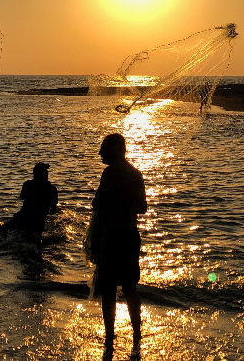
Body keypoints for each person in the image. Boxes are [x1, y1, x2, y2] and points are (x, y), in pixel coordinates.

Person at [86, 134, 147, 360]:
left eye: (104, 148)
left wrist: (110, 201)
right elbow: (143, 208)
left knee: (109, 288)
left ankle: (110, 338)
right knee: (130, 287)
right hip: (131, 234)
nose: (100, 153)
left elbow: (97, 203)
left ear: (116, 149)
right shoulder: (136, 174)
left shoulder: (110, 173)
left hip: (111, 234)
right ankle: (137, 335)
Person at [0, 162, 58, 238]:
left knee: (0, 231)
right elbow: (53, 210)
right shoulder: (52, 189)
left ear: (34, 174)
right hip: (38, 223)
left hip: (21, 218)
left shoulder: (28, 184)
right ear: (46, 175)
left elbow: (22, 196)